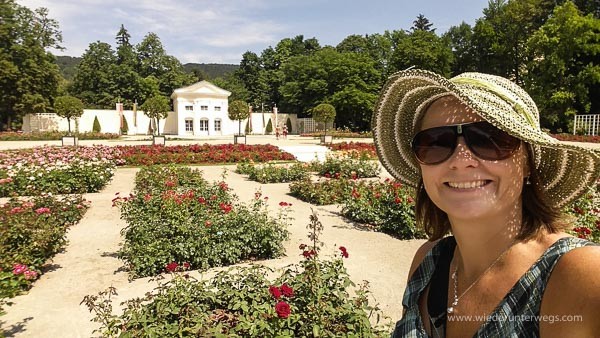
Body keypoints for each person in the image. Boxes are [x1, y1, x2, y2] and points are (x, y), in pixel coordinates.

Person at [371, 69, 600, 337]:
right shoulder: (428, 263)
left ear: (528, 162)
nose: (460, 159)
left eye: (489, 139)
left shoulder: (579, 275)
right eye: (436, 143)